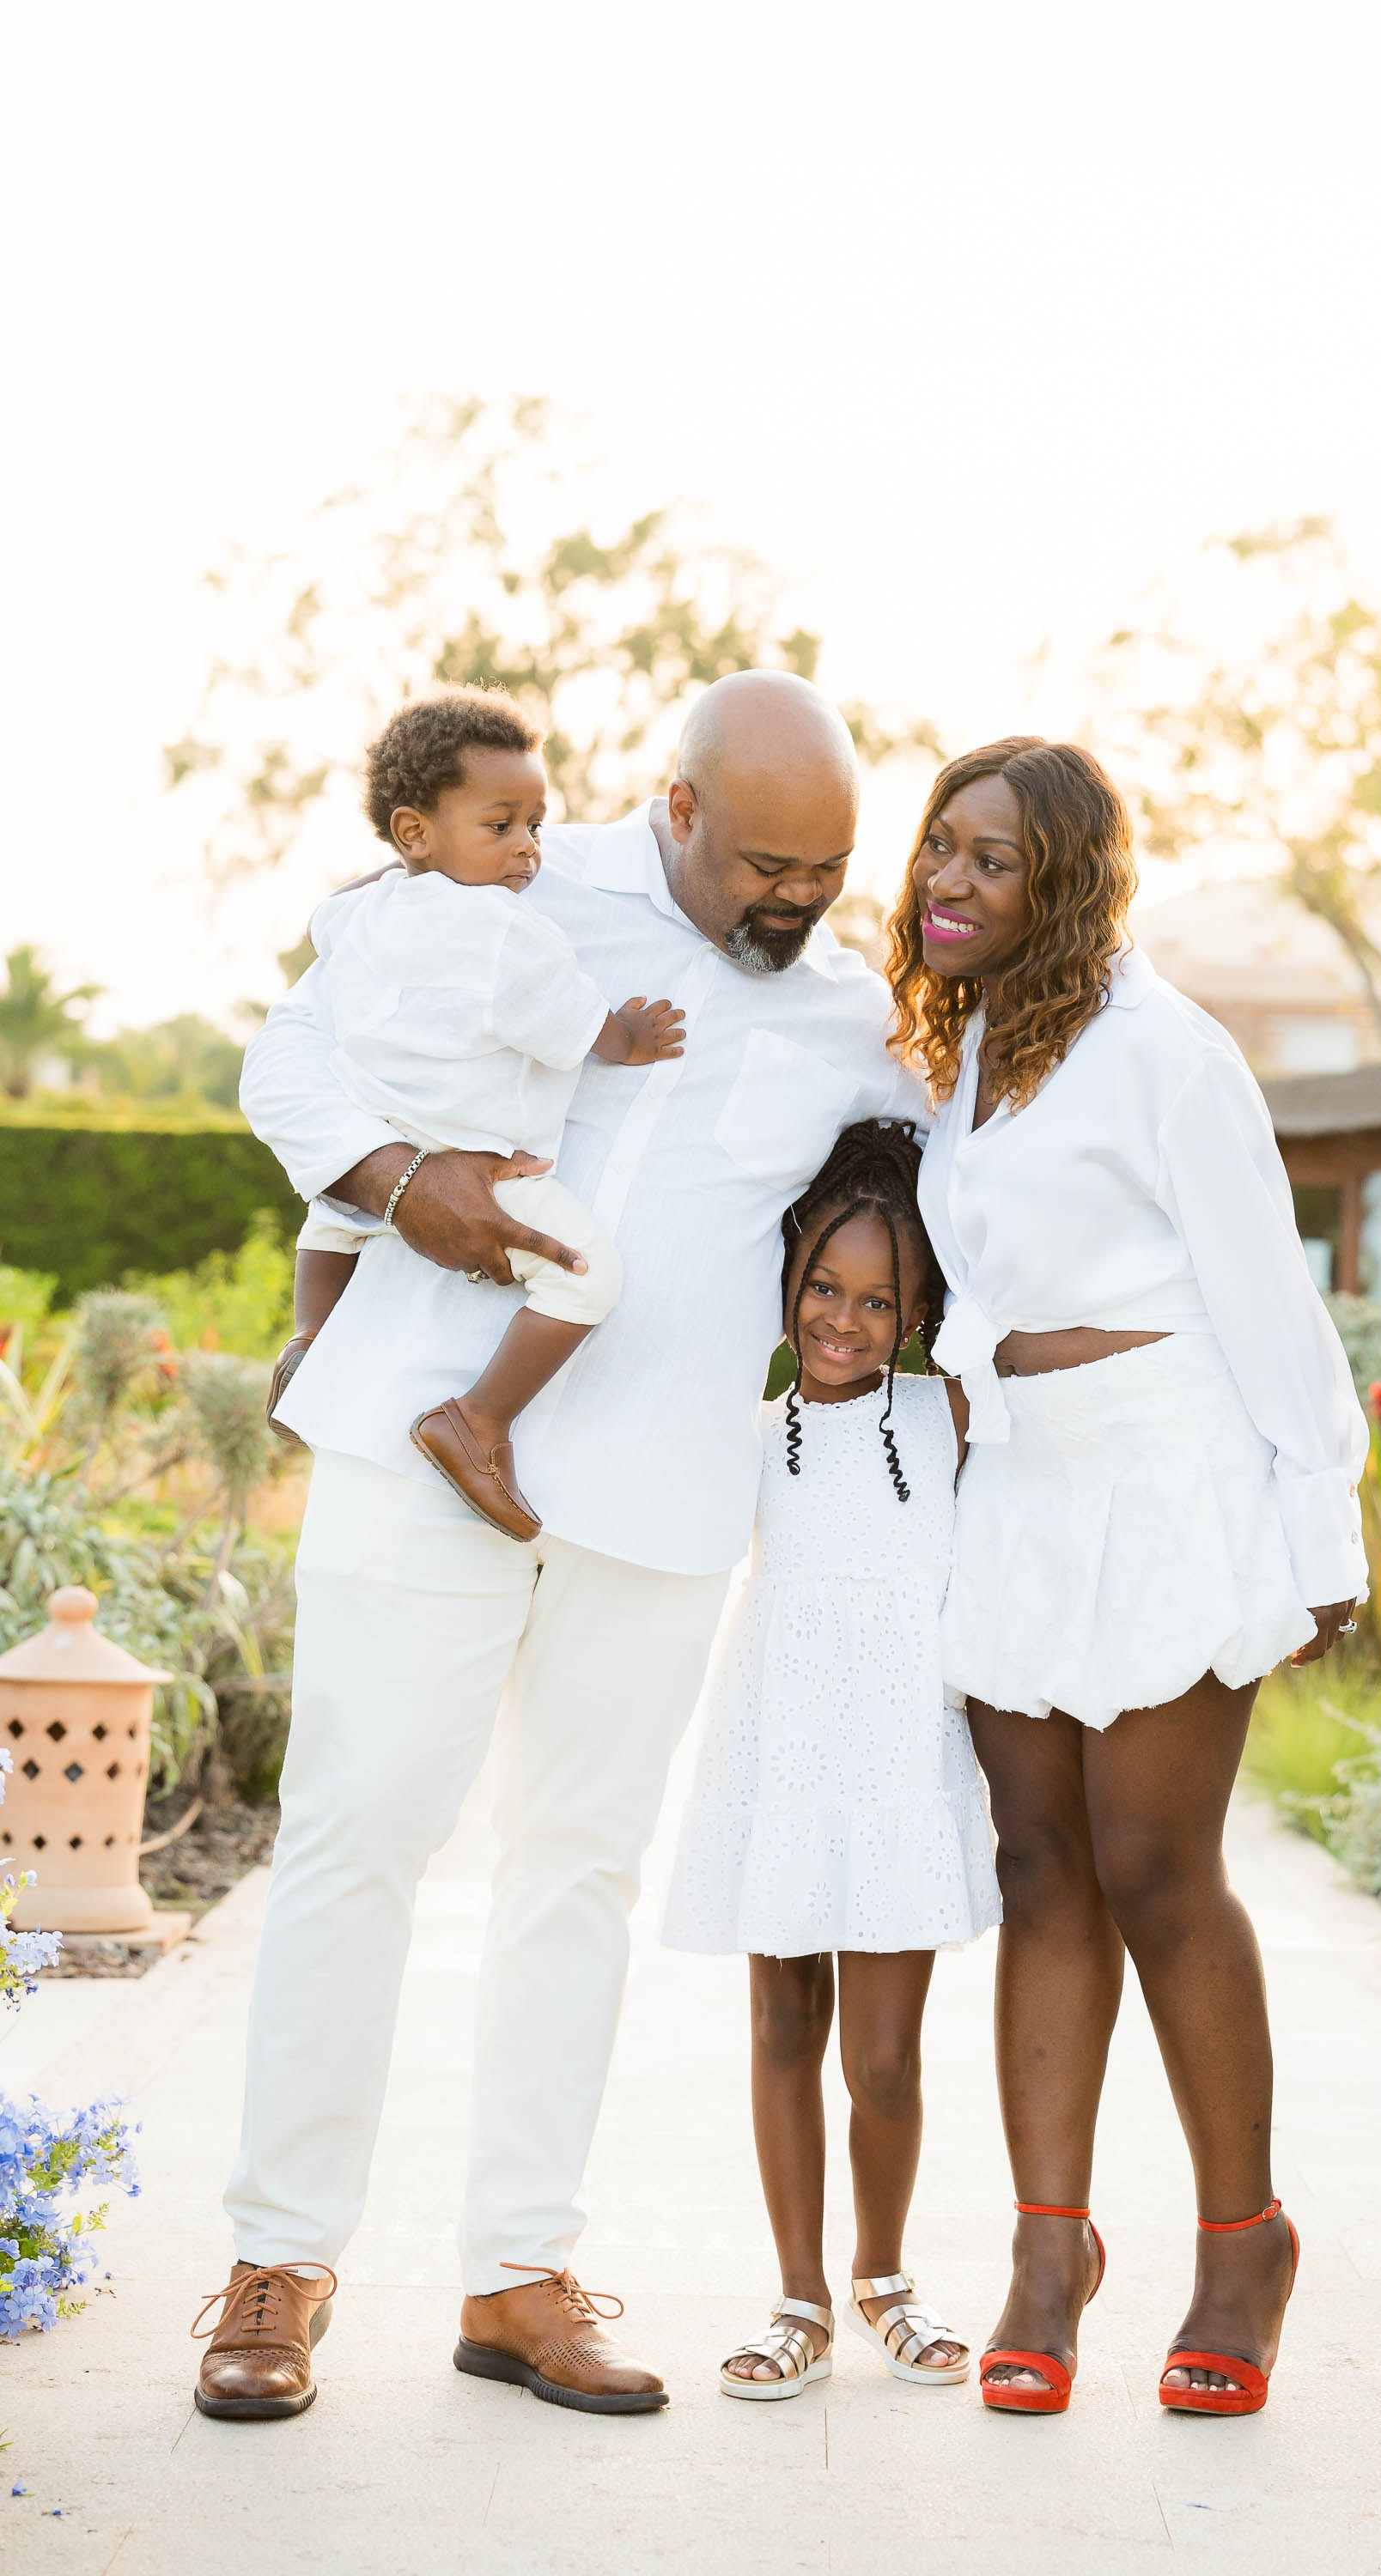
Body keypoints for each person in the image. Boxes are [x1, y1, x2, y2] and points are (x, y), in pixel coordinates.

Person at [198, 671, 923, 2426]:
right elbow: (292, 1053)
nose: (795, 898)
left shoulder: (846, 1014)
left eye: (824, 868)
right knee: (358, 1838)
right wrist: (391, 1176)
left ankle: (520, 2276)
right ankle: (276, 2267)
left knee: (578, 1872)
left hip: (660, 1496)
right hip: (423, 1441)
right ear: (674, 809)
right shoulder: (498, 880)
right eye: (763, 860)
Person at [890, 738, 1367, 2421]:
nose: (948, 881)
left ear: (1068, 881)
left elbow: (1262, 1288)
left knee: (1156, 1862)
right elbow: (982, 1277)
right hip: (1020, 1480)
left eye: (993, 860)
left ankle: (1243, 2245)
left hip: (1168, 1474)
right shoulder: (966, 1055)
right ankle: (1046, 2249)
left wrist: (1320, 1532)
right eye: (940, 847)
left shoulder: (1167, 1052)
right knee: (1037, 1866)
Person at [661, 1120, 1000, 2400]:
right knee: (783, 2020)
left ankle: (885, 2278)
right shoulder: (746, 1428)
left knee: (886, 2057)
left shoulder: (950, 1410)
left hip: (903, 1756)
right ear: (789, 1268)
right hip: (782, 1748)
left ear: (920, 1313)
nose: (843, 1322)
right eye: (823, 1286)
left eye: (879, 1300)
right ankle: (798, 2293)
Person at [268, 686, 685, 1541]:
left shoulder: (363, 908)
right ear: (416, 829)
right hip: (473, 1169)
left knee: (331, 1219)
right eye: (501, 827)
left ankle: (309, 1344)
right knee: (584, 1274)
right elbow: (572, 1026)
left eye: (535, 824)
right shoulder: (507, 930)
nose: (530, 849)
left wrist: (392, 877)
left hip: (375, 1147)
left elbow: (327, 930)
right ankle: (478, 1421)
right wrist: (630, 1034)